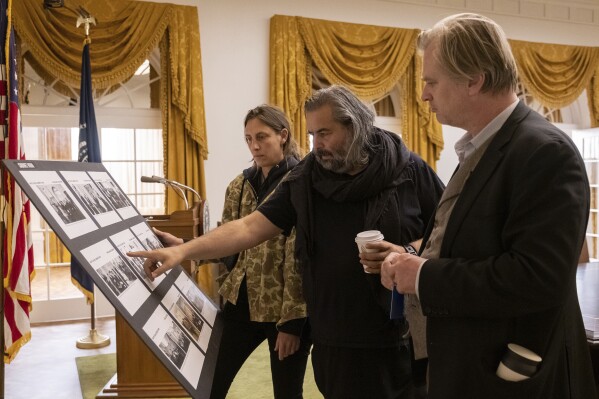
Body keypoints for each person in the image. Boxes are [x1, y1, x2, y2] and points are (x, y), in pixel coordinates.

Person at [130, 85, 444, 399]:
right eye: (311, 135)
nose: (316, 145)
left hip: (396, 337)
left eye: (325, 133)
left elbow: (446, 233)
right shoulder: (307, 178)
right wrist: (183, 249)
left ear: (356, 126)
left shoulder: (409, 170)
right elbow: (248, 229)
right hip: (333, 338)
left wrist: (407, 251)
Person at [380, 13, 597, 399]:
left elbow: (537, 278)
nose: (424, 94)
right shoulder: (486, 145)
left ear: (474, 79)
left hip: (509, 378)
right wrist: (412, 256)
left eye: (431, 81)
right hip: (469, 366)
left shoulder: (545, 151)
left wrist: (424, 277)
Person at [153, 105, 311, 399]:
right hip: (241, 303)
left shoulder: (302, 182)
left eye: (262, 137)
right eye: (249, 138)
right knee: (210, 385)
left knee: (288, 394)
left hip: (284, 311)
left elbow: (300, 259)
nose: (254, 146)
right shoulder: (239, 185)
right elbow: (229, 243)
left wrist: (294, 323)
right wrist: (186, 250)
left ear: (283, 136)